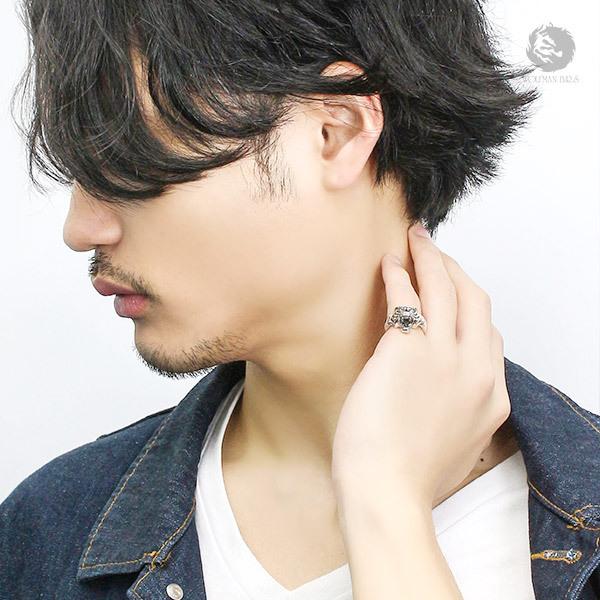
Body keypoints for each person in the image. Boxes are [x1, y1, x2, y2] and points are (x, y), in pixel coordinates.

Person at [1, 0, 599, 598]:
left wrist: (385, 502)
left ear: (336, 132)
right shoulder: (47, 532)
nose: (81, 229)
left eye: (127, 162)